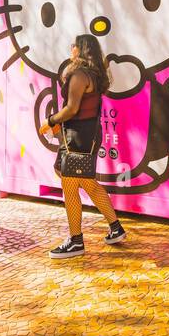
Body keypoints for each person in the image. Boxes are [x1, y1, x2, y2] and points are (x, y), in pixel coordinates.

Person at [39, 33, 126, 258]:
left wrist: (50, 121)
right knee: (87, 182)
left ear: (80, 49)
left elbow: (71, 108)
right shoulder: (94, 75)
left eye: (74, 45)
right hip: (88, 134)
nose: (71, 48)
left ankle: (76, 241)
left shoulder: (79, 75)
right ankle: (116, 228)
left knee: (69, 185)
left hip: (78, 136)